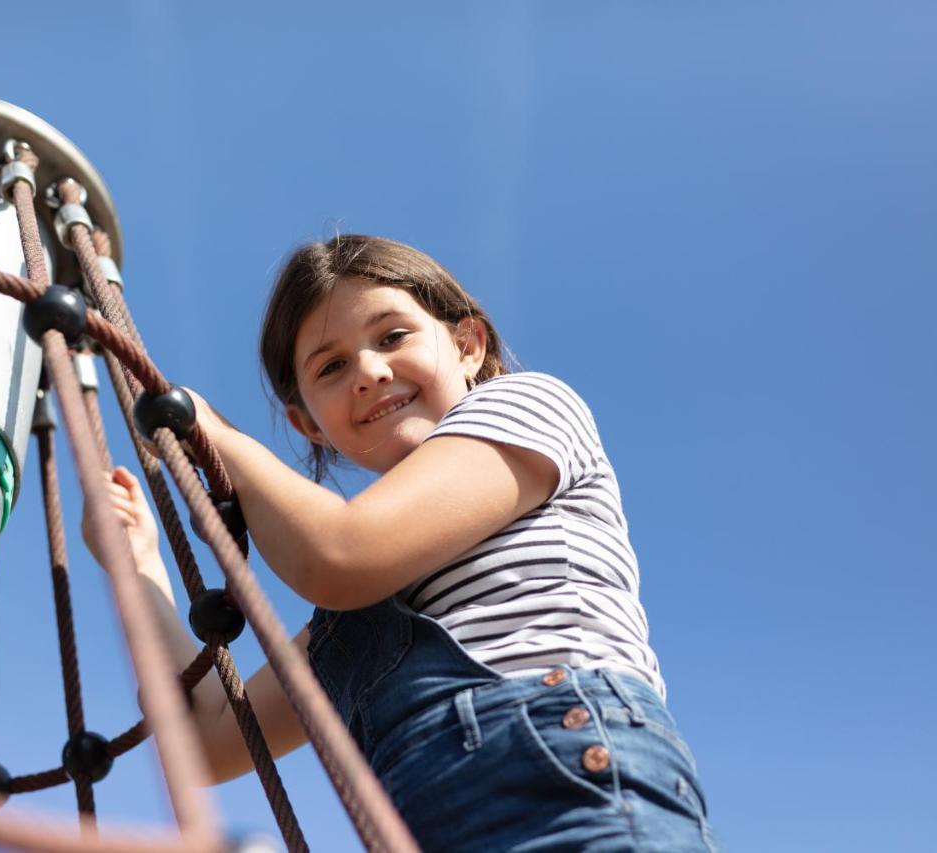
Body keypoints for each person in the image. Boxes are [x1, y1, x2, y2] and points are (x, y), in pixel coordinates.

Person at [83, 235, 718, 851]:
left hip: (564, 774)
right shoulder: (355, 619)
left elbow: (342, 552)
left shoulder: (530, 406)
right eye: (331, 367)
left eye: (392, 336)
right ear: (309, 423)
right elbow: (204, 745)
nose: (369, 371)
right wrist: (136, 564)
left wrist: (216, 433)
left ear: (468, 345)